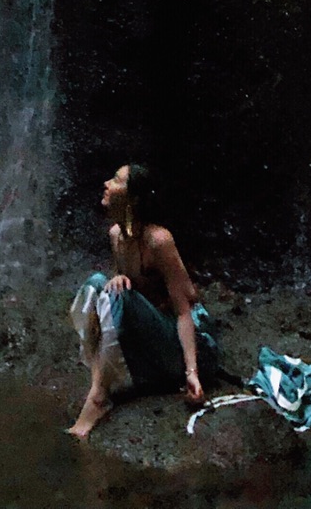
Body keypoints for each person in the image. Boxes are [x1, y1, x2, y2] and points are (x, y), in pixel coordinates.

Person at [67, 161, 219, 438]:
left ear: (133, 198)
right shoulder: (117, 235)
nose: (107, 184)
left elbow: (184, 311)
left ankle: (99, 398)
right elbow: (119, 295)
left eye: (116, 180)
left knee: (115, 293)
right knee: (96, 285)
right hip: (152, 341)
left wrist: (192, 373)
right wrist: (117, 279)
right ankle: (98, 383)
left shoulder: (158, 240)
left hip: (186, 344)